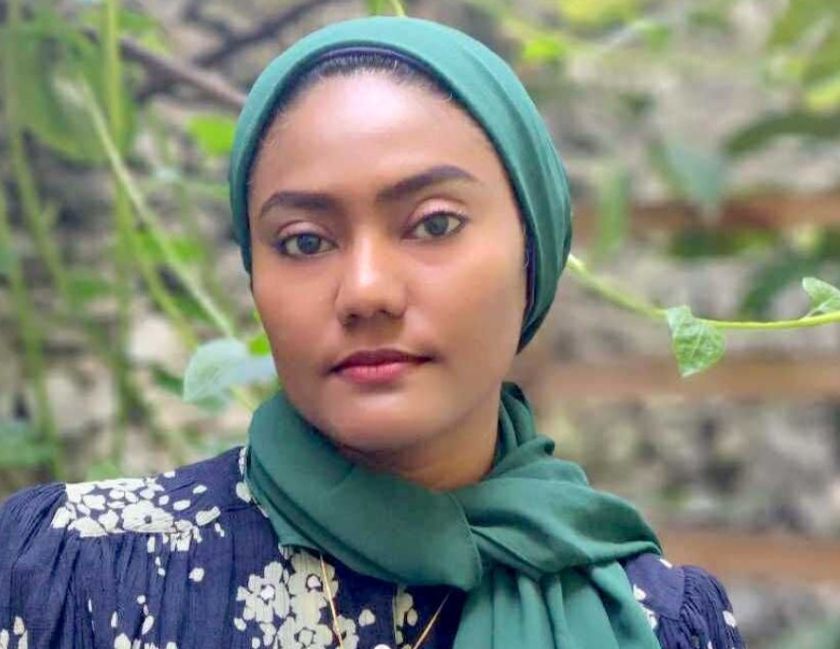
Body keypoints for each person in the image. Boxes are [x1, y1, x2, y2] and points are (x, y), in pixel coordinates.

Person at [0, 16, 746, 649]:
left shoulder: (654, 620)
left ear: (534, 250)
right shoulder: (80, 577)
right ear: (256, 277)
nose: (365, 291)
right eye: (302, 240)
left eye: (433, 224)